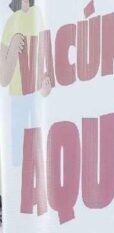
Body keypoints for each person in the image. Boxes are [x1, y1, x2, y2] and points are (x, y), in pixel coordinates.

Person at [1, 0, 51, 168]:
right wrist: (14, 48)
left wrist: (46, 87)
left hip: (36, 95)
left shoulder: (38, 13)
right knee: (18, 155)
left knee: (39, 150)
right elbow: (4, 78)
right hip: (17, 97)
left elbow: (45, 59)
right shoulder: (9, 22)